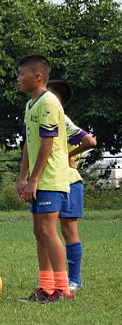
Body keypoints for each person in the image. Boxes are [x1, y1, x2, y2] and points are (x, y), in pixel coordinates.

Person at [15, 54, 73, 303]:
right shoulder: (31, 105)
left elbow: (47, 143)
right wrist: (23, 176)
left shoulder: (49, 102)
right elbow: (30, 142)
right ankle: (45, 287)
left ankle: (62, 288)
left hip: (50, 178)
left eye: (20, 74)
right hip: (38, 178)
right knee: (39, 230)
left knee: (48, 230)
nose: (17, 79)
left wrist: (35, 178)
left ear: (37, 76)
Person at [46, 80, 97, 291]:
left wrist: (68, 155)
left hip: (68, 180)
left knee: (67, 230)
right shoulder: (42, 115)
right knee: (45, 230)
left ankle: (74, 280)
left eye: (47, 93)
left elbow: (90, 141)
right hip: (49, 180)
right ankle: (51, 281)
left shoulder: (61, 118)